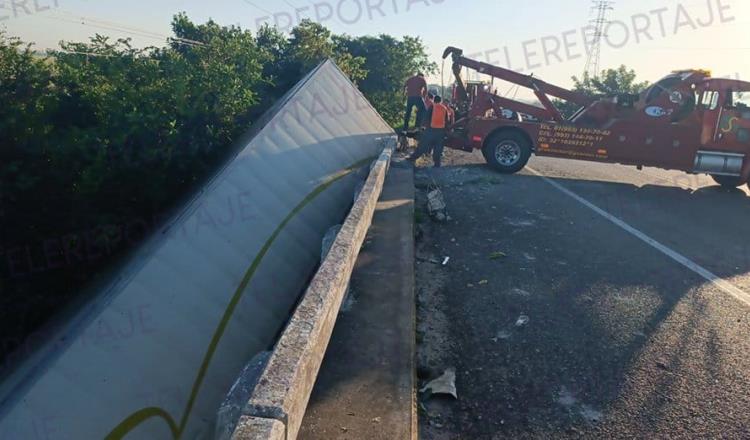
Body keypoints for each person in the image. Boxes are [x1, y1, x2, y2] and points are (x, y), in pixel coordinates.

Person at [408, 95, 450, 168]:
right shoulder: (444, 108)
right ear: (440, 101)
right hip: (441, 132)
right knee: (438, 148)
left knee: (423, 145)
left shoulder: (432, 107)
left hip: (431, 130)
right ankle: (437, 164)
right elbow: (447, 121)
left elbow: (426, 117)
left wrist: (422, 126)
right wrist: (445, 131)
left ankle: (413, 158)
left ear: (434, 100)